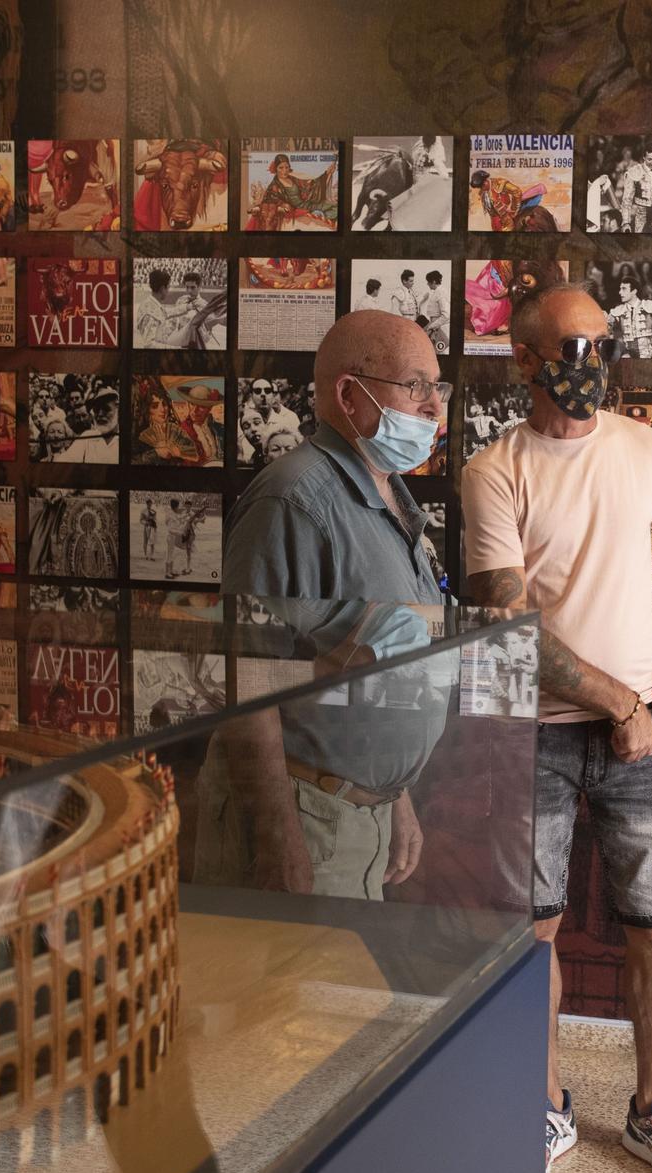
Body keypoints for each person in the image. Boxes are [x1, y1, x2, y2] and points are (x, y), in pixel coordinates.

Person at [461, 282, 652, 1173]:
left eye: (602, 346)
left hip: (645, 736)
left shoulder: (647, 450)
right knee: (532, 933)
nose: (590, 367)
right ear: (524, 360)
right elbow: (510, 621)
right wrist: (621, 704)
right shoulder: (493, 470)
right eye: (570, 350)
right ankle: (546, 1108)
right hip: (536, 732)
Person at [201, 310, 450, 900]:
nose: (434, 408)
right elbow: (248, 677)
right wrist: (277, 838)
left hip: (355, 815)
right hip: (304, 820)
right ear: (349, 393)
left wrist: (394, 794)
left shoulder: (387, 491)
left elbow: (358, 660)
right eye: (414, 387)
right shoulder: (294, 501)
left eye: (437, 389)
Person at [607, 277, 652, 360]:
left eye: (624, 289)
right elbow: (605, 328)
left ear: (634, 291)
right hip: (628, 356)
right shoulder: (618, 310)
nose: (620, 292)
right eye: (620, 289)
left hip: (650, 355)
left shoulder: (649, 306)